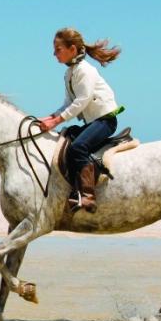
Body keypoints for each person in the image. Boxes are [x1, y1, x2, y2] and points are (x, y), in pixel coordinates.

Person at [35, 27, 124, 212]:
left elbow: (81, 102)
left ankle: (88, 196)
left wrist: (56, 121)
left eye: (58, 49)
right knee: (67, 139)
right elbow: (68, 103)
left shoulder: (85, 71)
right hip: (93, 121)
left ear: (72, 49)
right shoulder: (69, 73)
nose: (54, 54)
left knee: (78, 147)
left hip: (105, 120)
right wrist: (49, 117)